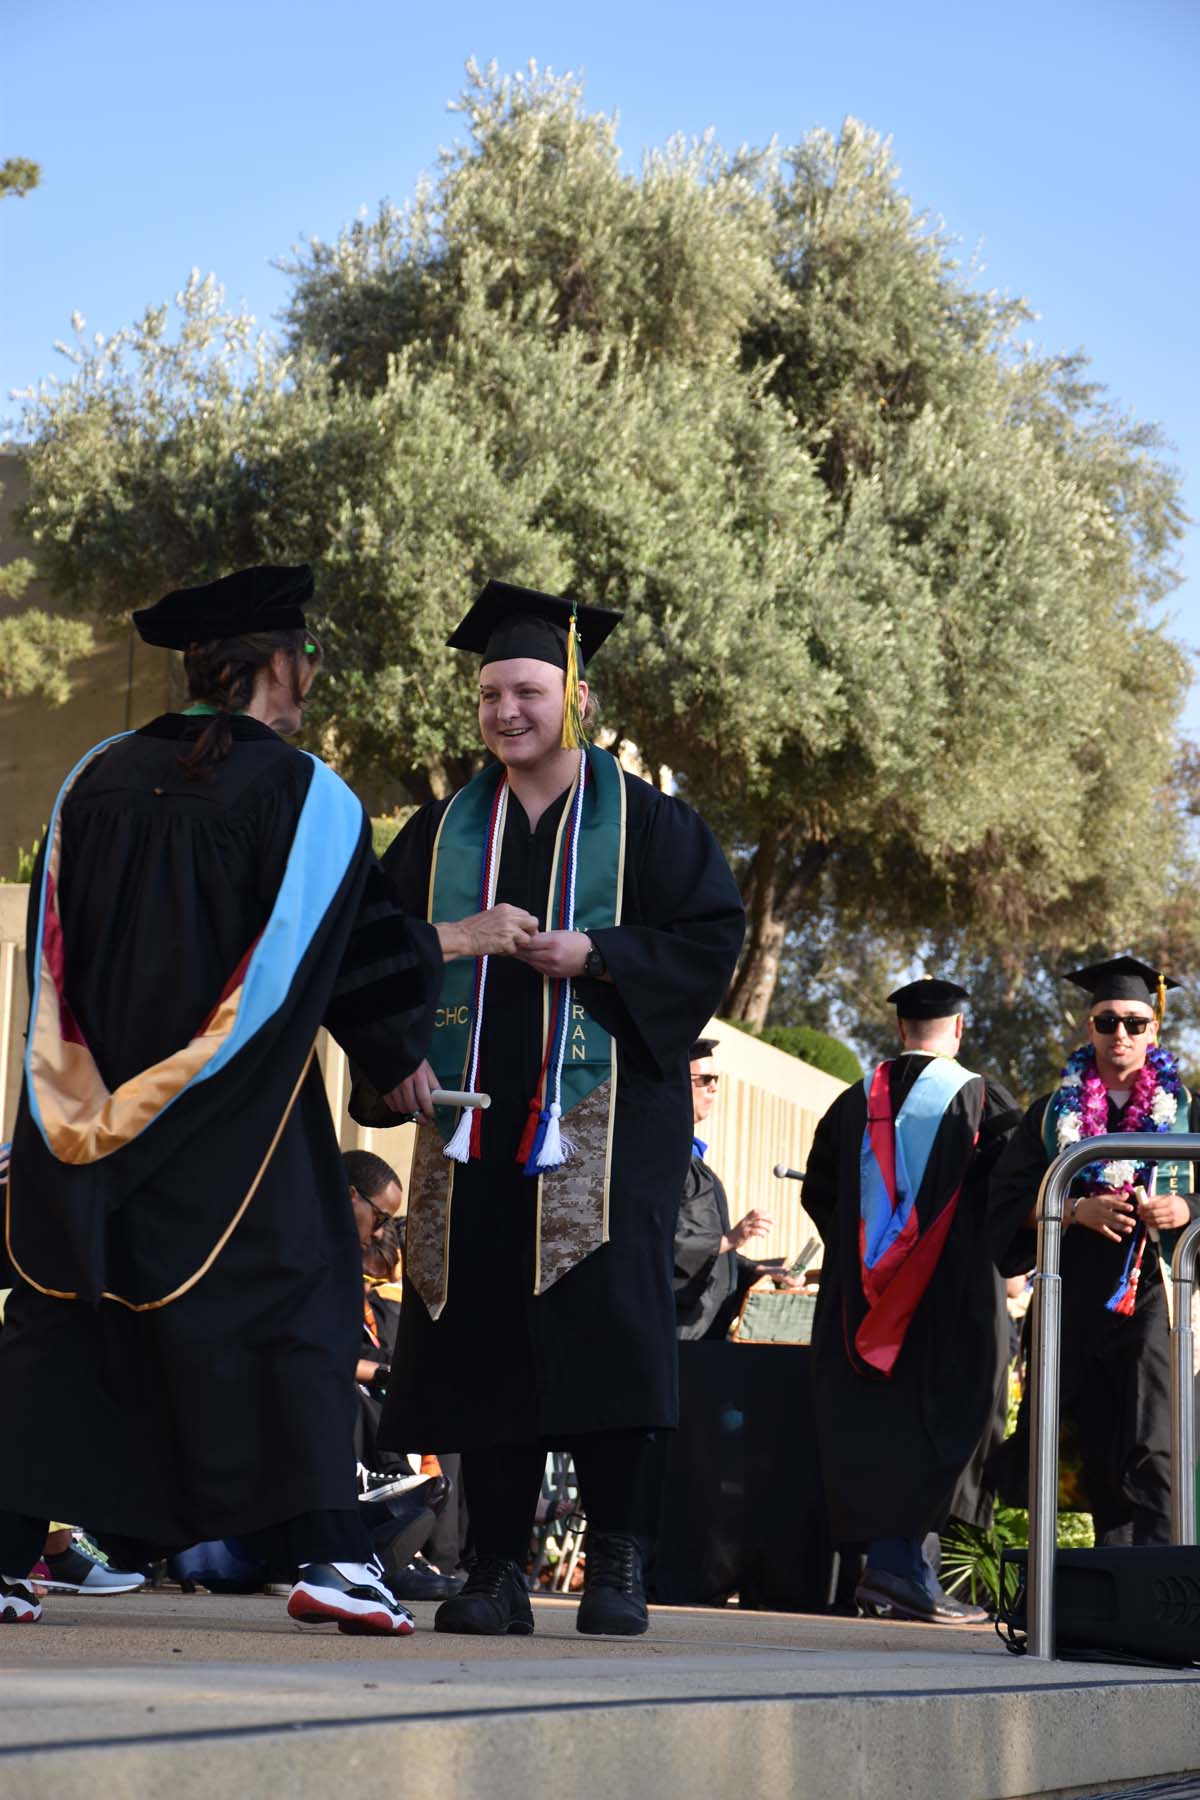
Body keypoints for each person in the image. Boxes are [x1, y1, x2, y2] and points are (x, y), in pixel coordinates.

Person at [0, 564, 530, 1634]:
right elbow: (347, 953)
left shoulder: (92, 779)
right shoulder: (306, 793)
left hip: (84, 1116)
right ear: (280, 665)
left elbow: (52, 952)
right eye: (310, 656)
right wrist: (399, 1048)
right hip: (236, 1129)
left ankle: (10, 1552)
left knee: (63, 1323)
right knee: (300, 1314)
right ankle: (334, 1557)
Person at [353, 579, 745, 1637]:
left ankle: (617, 1563)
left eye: (527, 691)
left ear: (576, 695)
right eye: (490, 695)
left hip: (608, 1130)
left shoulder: (652, 826)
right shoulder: (439, 834)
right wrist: (395, 1055)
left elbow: (712, 938)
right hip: (471, 1124)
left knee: (611, 1333)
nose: (506, 712)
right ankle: (492, 1570)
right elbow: (369, 954)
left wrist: (602, 954)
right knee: (483, 1339)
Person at [803, 977, 1020, 1624]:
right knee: (950, 1422)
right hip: (956, 1305)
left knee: (877, 1425)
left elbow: (819, 1194)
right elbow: (1009, 1196)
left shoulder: (852, 1102)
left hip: (861, 1308)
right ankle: (904, 1571)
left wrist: (865, 1258)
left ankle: (890, 1569)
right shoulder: (983, 1100)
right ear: (958, 1029)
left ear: (900, 1030)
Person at [987, 956, 1200, 1546]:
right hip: (1071, 1299)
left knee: (1154, 1444)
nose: (1120, 1034)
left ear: (1154, 1029)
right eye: (1107, 1022)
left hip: (1156, 1296)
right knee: (1088, 1446)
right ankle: (1105, 1584)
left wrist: (1188, 1209)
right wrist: (1075, 1208)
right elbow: (1004, 1204)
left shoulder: (1190, 1112)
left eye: (1134, 1022)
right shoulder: (1050, 1115)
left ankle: (1163, 1586)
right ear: (1090, 1028)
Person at [674, 1038, 796, 1340]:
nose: (714, 1088)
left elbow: (710, 1249)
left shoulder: (693, 1158)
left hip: (707, 1329)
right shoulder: (663, 1159)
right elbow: (665, 1243)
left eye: (716, 1079)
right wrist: (730, 1239)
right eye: (704, 1079)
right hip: (679, 1331)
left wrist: (756, 1271)